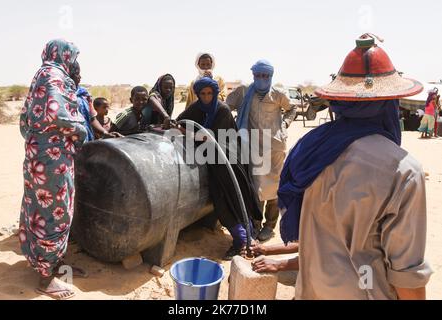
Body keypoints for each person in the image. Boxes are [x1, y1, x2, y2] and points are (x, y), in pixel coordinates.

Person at [278, 34, 433, 300]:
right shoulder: (403, 170)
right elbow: (407, 276)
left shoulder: (309, 148)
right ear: (390, 102)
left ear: (341, 101)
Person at [19, 39, 88, 300]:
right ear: (65, 55)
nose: (74, 61)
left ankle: (53, 263)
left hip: (41, 156)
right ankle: (46, 280)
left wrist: (37, 143)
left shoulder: (42, 74)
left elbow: (25, 121)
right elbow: (58, 114)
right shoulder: (54, 75)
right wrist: (79, 131)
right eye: (73, 56)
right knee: (54, 211)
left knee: (40, 207)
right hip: (52, 159)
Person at [176, 77, 262, 260]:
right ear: (198, 94)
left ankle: (244, 239)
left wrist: (188, 133)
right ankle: (241, 237)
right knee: (221, 200)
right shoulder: (196, 107)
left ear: (215, 94)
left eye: (210, 93)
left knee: (236, 197)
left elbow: (211, 138)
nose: (206, 97)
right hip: (212, 159)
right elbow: (179, 122)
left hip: (229, 159)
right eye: (203, 94)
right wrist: (179, 128)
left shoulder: (222, 109)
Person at [226, 60, 296, 242]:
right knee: (256, 187)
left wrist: (285, 125)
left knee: (274, 187)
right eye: (258, 75)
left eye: (265, 75)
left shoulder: (278, 94)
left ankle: (269, 226)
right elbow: (226, 106)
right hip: (253, 147)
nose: (261, 79)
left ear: (271, 76)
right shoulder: (243, 92)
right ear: (253, 75)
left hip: (275, 147)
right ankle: (255, 224)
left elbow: (292, 109)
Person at [69, 61, 119, 140]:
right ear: (67, 75)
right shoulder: (57, 95)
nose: (80, 77)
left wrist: (105, 133)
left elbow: (92, 119)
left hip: (86, 141)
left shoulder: (84, 95)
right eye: (77, 73)